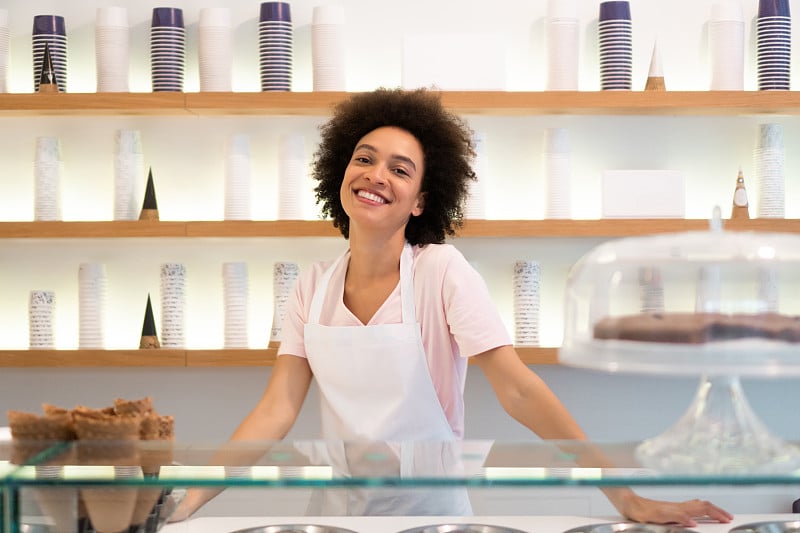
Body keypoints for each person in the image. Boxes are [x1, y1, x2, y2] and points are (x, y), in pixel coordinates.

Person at [172, 87, 733, 526]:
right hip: (337, 520)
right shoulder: (310, 287)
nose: (376, 175)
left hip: (432, 520)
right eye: (364, 159)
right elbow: (274, 411)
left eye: (400, 168)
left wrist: (626, 497)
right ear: (340, 175)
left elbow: (519, 390)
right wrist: (186, 502)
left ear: (421, 201)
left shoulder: (441, 273)